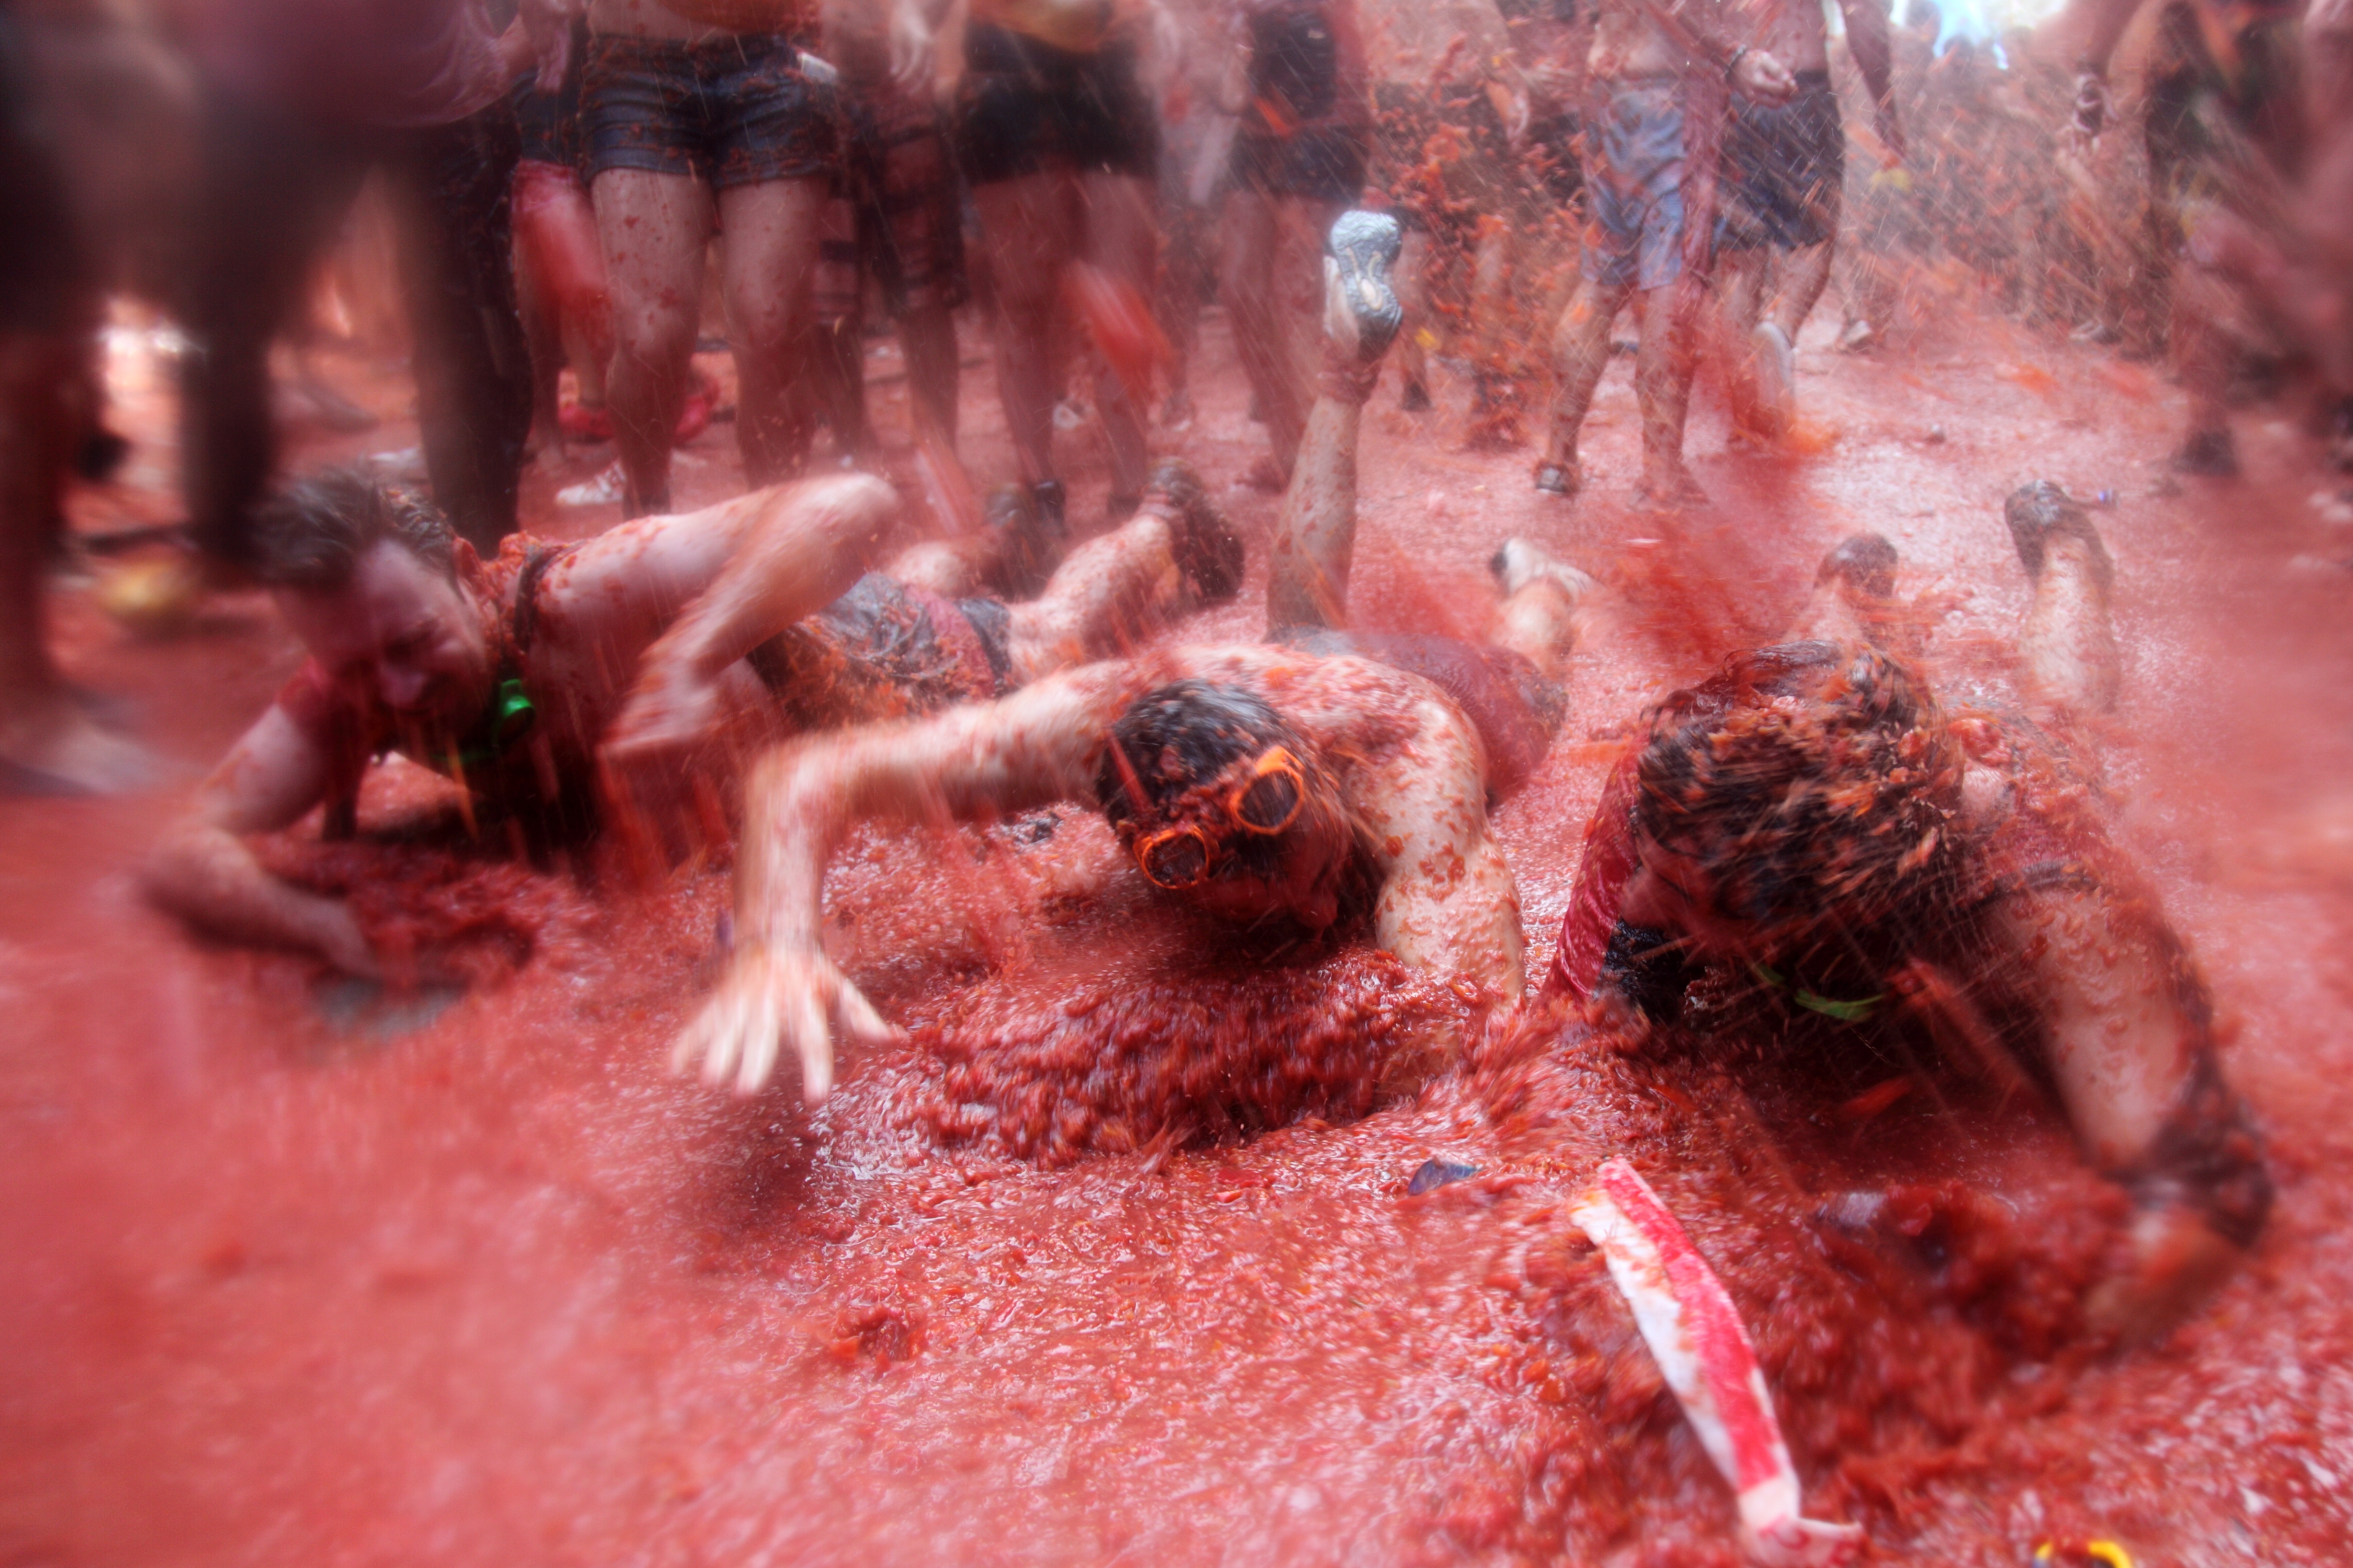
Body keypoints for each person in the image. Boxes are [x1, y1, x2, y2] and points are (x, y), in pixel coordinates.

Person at [675, 210, 1599, 1103]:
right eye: (1294, 895)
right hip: (1286, 667)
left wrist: (1194, 1063)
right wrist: (776, 937)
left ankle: (1541, 581)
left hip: (1428, 689)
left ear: (1316, 768)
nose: (1325, 919)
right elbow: (804, 773)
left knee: (1529, 683)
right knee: (1298, 614)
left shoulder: (1418, 770)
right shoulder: (1077, 725)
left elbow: (1472, 1028)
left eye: (1320, 879)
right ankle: (1342, 371)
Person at [1540, 485, 2269, 1335]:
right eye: (1651, 866)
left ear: (1816, 913)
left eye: (1679, 895)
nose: (1636, 897)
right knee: (1820, 668)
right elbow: (1570, 1052)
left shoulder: (2056, 915)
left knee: (2066, 716)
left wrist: (1994, 1283)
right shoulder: (1676, 777)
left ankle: (2069, 561)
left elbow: (2200, 1208)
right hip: (1837, 723)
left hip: (2000, 778)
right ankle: (1850, 586)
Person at [144, 461, 1246, 978]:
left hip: (879, 667)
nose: (389, 690)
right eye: (353, 665)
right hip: (795, 641)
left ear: (472, 575)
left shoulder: (588, 593)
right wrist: (327, 932)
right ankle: (994, 529)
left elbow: (848, 503)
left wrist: (687, 655)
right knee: (937, 576)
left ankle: (1158, 515)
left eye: (411, 643)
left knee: (1047, 629)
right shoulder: (344, 692)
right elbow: (180, 851)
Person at [170, 0, 541, 564]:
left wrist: (532, 27)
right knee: (227, 320)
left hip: (436, 90)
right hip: (279, 95)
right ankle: (226, 542)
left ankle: (480, 558)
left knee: (467, 334)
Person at [898, 0, 1166, 525]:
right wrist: (912, 13)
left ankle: (1132, 494)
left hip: (1114, 61)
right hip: (1006, 70)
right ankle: (1040, 494)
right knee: (1025, 298)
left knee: (1124, 298)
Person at [579, 0, 841, 515]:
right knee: (650, 337)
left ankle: (773, 541)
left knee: (771, 326)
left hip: (776, 58)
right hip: (635, 68)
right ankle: (647, 524)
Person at [1531, 0, 1798, 506]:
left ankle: (1557, 459)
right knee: (1672, 282)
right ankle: (1660, 472)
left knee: (1601, 279)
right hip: (1669, 97)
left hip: (1608, 88)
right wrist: (1734, 56)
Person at [2045, 0, 2311, 476]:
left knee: (2207, 247)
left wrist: (2092, 71)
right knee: (2265, 230)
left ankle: (2210, 430)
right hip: (2284, 56)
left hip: (2208, 64)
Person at [1713, 0, 1903, 440]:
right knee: (1816, 239)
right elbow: (1864, 19)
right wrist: (1886, 107)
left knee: (1740, 258)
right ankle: (1780, 331)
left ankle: (1748, 411)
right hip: (1799, 91)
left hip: (1731, 94)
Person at [1218, 0, 1374, 484]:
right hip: (1256, 114)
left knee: (1300, 288)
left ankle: (1324, 448)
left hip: (1325, 109)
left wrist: (1348, 116)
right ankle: (1291, 444)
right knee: (1239, 285)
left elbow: (1347, 32)